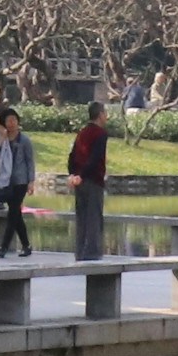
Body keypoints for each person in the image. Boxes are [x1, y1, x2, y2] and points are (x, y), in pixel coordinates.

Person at [0, 106, 38, 258]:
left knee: (13, 212)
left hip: (20, 181)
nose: (12, 123)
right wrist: (1, 137)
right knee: (16, 214)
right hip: (4, 180)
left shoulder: (25, 140)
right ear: (3, 123)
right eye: (8, 121)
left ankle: (4, 247)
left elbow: (30, 161)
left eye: (14, 120)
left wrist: (31, 181)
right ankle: (26, 245)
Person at [67, 97, 111, 263]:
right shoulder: (100, 134)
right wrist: (82, 175)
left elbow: (72, 156)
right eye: (105, 113)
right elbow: (94, 158)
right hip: (93, 180)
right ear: (100, 115)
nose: (106, 116)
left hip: (79, 181)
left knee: (82, 217)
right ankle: (92, 253)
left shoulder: (82, 132)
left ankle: (80, 252)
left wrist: (73, 175)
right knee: (94, 217)